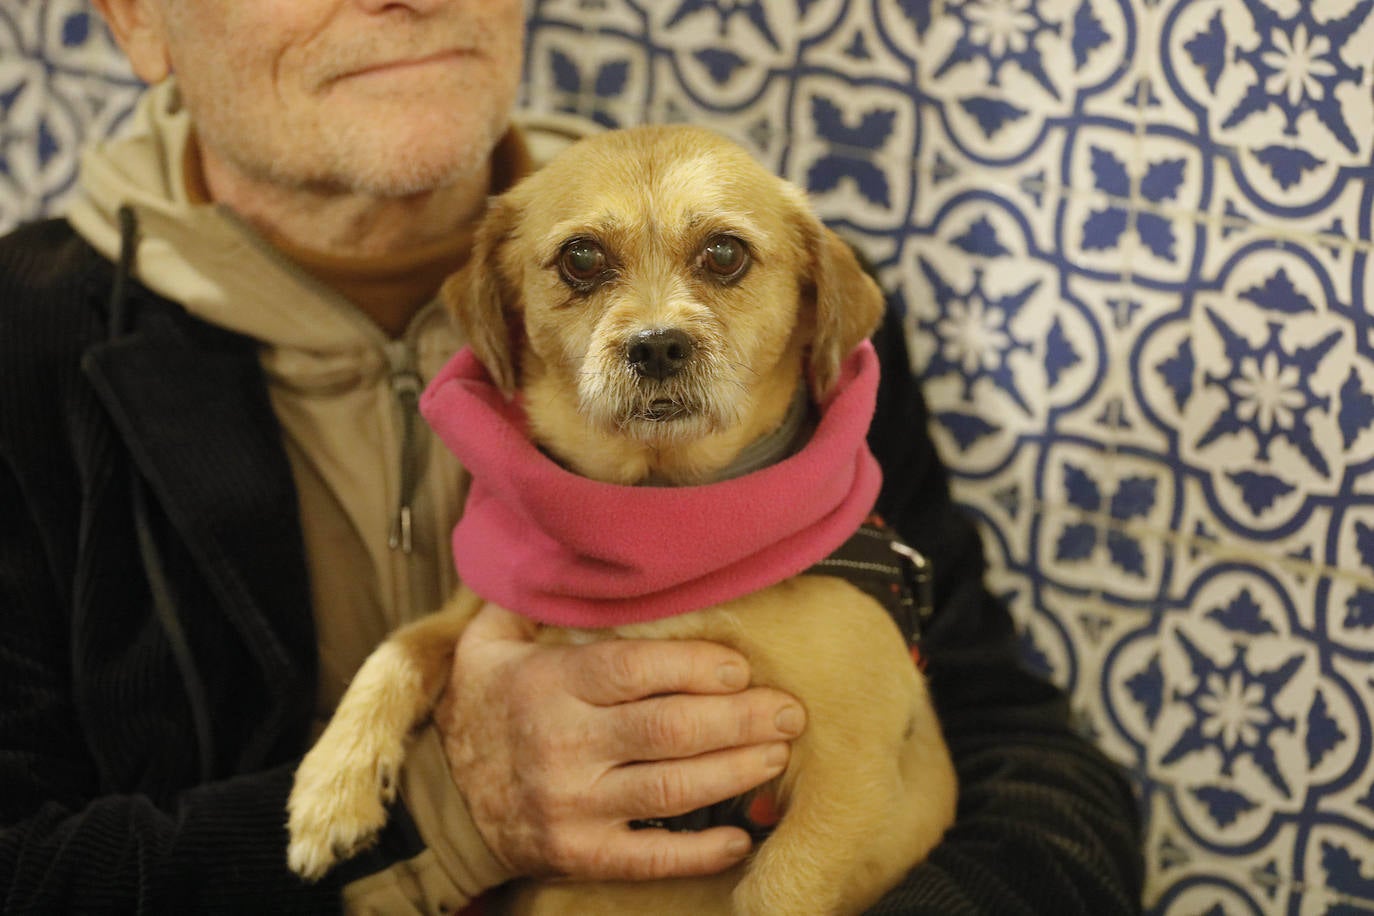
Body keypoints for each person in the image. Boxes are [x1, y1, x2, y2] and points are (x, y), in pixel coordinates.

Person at [0, 1, 1143, 912]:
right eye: (582, 267)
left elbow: (1026, 764)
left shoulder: (795, 331)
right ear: (134, 17)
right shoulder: (22, 350)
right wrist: (450, 806)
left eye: (721, 262)